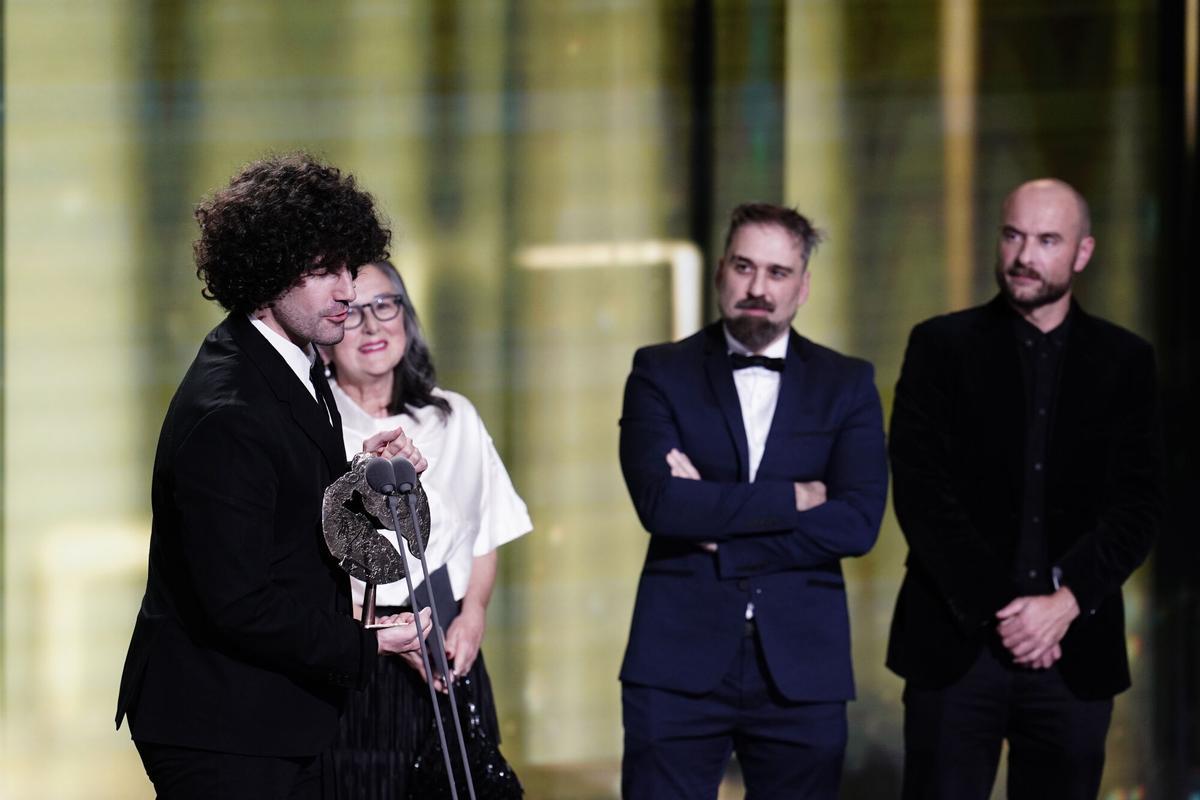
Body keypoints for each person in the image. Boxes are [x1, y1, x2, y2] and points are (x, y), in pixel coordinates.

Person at [115, 154, 434, 799]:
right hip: (222, 721)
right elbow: (238, 600)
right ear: (264, 273)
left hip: (264, 714)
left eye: (348, 266)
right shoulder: (231, 406)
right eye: (322, 272)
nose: (347, 290)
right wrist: (367, 643)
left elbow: (283, 514)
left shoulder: (285, 364)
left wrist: (364, 481)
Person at [886, 178, 1164, 799]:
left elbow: (1140, 503)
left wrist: (1064, 605)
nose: (1023, 256)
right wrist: (1008, 613)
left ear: (1083, 253)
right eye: (1012, 235)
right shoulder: (939, 346)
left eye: (1046, 240)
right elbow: (921, 491)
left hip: (1075, 653)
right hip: (956, 648)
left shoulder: (1126, 361)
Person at [617, 203, 889, 798]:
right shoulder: (660, 372)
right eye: (744, 267)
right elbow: (662, 505)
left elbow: (858, 524)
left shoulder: (848, 384)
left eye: (777, 272)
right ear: (720, 272)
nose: (758, 288)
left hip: (803, 670)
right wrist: (797, 497)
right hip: (676, 665)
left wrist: (719, 525)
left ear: (804, 285)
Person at [320, 260, 532, 797]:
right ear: (325, 336)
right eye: (353, 311)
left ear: (406, 316)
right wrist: (388, 636)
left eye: (384, 305)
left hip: (451, 649)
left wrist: (475, 615)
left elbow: (483, 536)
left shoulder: (453, 417)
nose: (371, 326)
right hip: (362, 658)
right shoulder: (316, 433)